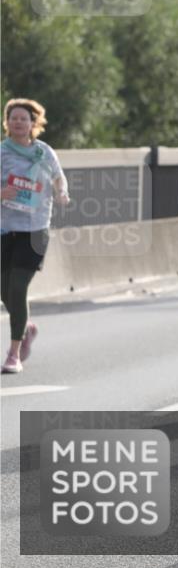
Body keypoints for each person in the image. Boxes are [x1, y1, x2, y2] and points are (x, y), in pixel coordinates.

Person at [1, 99, 70, 374]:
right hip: (5, 228)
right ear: (7, 122)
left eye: (23, 118)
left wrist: (62, 192)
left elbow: (58, 177)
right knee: (5, 291)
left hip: (36, 228)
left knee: (18, 288)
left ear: (33, 123)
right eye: (13, 118)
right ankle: (25, 326)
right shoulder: (2, 152)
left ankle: (14, 354)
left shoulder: (44, 152)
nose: (18, 122)